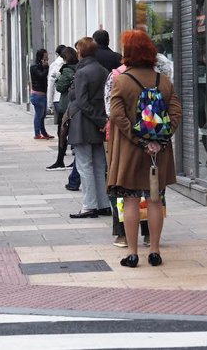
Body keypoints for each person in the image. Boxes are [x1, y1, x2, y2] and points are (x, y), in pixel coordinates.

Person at [107, 30, 182, 267]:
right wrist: (159, 140)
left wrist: (138, 139)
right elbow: (176, 112)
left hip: (130, 152)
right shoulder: (164, 80)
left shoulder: (122, 80)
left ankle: (132, 252)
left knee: (129, 201)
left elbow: (116, 114)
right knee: (155, 200)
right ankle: (156, 250)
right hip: (158, 154)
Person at [67, 37, 112, 219]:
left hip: (83, 123)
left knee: (84, 165)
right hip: (98, 122)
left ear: (81, 52)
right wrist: (102, 120)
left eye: (78, 50)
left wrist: (98, 120)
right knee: (100, 165)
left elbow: (82, 101)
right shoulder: (103, 70)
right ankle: (103, 204)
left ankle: (88, 205)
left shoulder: (82, 72)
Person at [47, 47, 78, 171]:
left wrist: (59, 78)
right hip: (76, 106)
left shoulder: (66, 70)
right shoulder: (79, 67)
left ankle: (60, 160)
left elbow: (60, 87)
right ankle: (75, 162)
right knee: (74, 133)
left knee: (62, 132)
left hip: (65, 105)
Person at [29, 48, 53, 139]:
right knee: (39, 115)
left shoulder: (40, 66)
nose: (47, 59)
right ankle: (37, 133)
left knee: (42, 116)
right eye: (45, 57)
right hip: (37, 95)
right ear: (41, 57)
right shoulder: (34, 67)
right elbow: (41, 75)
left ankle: (43, 133)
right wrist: (46, 67)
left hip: (42, 94)